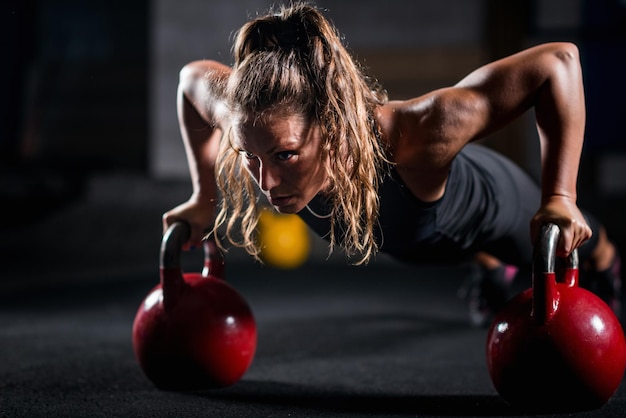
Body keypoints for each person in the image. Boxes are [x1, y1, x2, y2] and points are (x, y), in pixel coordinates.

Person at [162, 3, 621, 325]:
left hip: (488, 207)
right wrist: (203, 198)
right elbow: (189, 83)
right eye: (249, 157)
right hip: (417, 238)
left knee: (578, 248)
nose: (267, 182)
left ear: (334, 127)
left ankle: (607, 263)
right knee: (441, 246)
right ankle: (488, 269)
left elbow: (559, 62)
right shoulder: (249, 115)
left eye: (284, 155)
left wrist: (561, 197)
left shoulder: (417, 131)